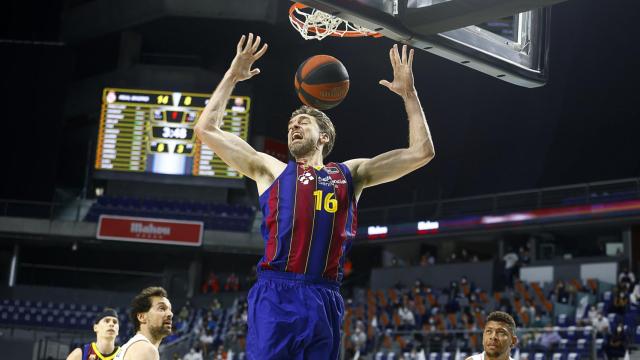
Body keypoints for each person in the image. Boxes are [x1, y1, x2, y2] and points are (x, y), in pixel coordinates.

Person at [194, 33, 435, 360]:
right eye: (291, 123)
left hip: (324, 296)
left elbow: (422, 152)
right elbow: (205, 130)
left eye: (302, 121)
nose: (293, 126)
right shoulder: (272, 170)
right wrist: (232, 75)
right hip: (276, 292)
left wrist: (410, 94)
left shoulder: (351, 174)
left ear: (324, 135)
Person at [114, 286, 173, 360]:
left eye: (170, 309)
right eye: (161, 308)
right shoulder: (145, 348)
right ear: (142, 317)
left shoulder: (133, 347)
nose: (170, 314)